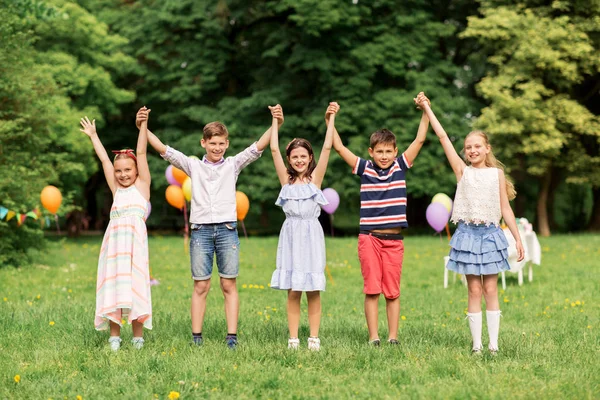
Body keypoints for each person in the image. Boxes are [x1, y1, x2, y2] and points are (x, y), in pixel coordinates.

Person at [137, 106, 282, 349]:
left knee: (229, 284)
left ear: (227, 144)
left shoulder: (233, 165)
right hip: (200, 232)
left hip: (226, 230)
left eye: (222, 143)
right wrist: (143, 126)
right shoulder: (194, 166)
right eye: (213, 143)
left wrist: (276, 121)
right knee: (201, 284)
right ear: (204, 142)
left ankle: (232, 338)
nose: (217, 148)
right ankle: (196, 337)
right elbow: (164, 150)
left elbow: (258, 147)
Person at [415, 92, 524, 354]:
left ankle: (494, 346)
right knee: (474, 290)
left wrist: (518, 238)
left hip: (490, 235)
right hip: (467, 235)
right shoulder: (462, 171)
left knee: (490, 289)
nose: (472, 150)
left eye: (477, 146)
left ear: (487, 148)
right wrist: (427, 108)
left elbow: (505, 208)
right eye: (468, 147)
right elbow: (442, 137)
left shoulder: (496, 174)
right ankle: (477, 346)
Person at [331, 95, 430, 346]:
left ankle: (392, 337)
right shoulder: (365, 168)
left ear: (395, 152)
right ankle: (374, 337)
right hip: (370, 238)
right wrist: (330, 119)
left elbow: (420, 139)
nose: (384, 156)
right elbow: (340, 148)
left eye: (388, 151)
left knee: (392, 291)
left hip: (394, 240)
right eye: (379, 152)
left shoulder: (400, 166)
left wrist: (425, 110)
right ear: (371, 152)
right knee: (372, 289)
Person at [269, 102, 339, 351]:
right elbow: (274, 149)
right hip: (291, 236)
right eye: (295, 156)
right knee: (293, 289)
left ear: (310, 159)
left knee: (313, 289)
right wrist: (276, 122)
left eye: (303, 156)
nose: (299, 160)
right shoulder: (285, 182)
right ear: (290, 159)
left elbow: (328, 147)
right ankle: (293, 338)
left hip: (311, 236)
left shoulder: (315, 180)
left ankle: (314, 337)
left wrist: (330, 119)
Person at [80, 113, 153, 352]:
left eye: (127, 170)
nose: (122, 175)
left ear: (136, 171)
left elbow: (141, 153)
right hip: (114, 247)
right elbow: (104, 161)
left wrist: (143, 126)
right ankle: (114, 336)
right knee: (114, 286)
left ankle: (137, 337)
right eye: (119, 171)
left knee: (135, 286)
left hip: (135, 249)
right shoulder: (116, 190)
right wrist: (93, 136)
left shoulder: (142, 188)